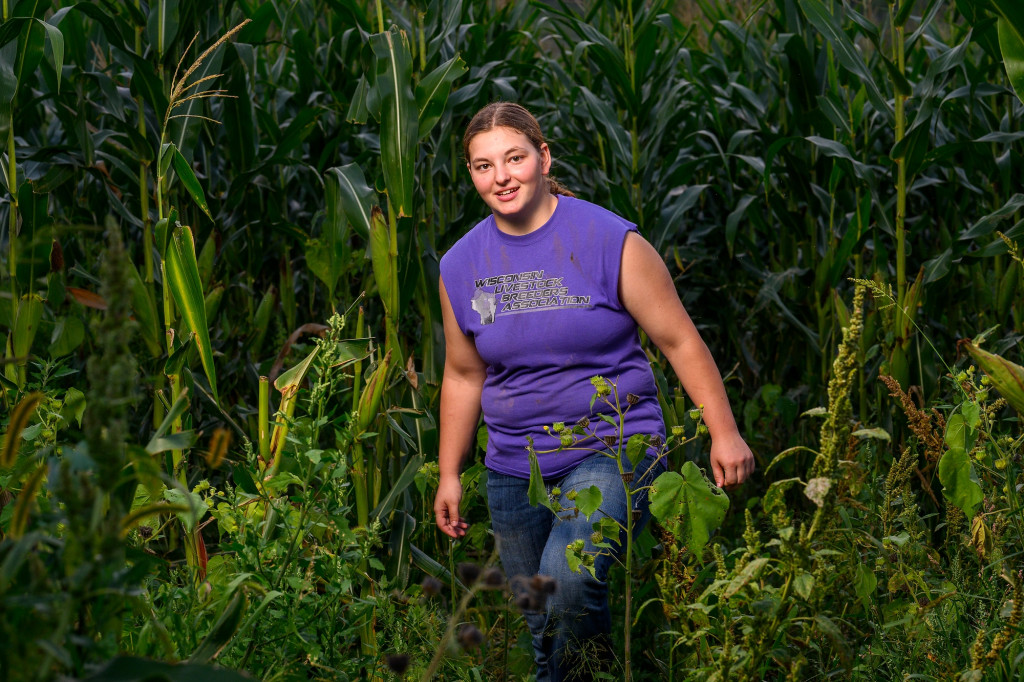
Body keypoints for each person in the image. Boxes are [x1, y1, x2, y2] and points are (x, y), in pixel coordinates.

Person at [434, 102, 754, 681]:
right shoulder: (460, 265)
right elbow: (463, 374)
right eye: (483, 166)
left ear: (543, 157)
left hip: (613, 446)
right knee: (541, 616)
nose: (501, 177)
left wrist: (724, 433)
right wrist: (449, 473)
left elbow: (680, 341)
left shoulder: (611, 241)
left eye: (514, 158)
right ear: (472, 174)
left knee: (568, 584)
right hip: (514, 463)